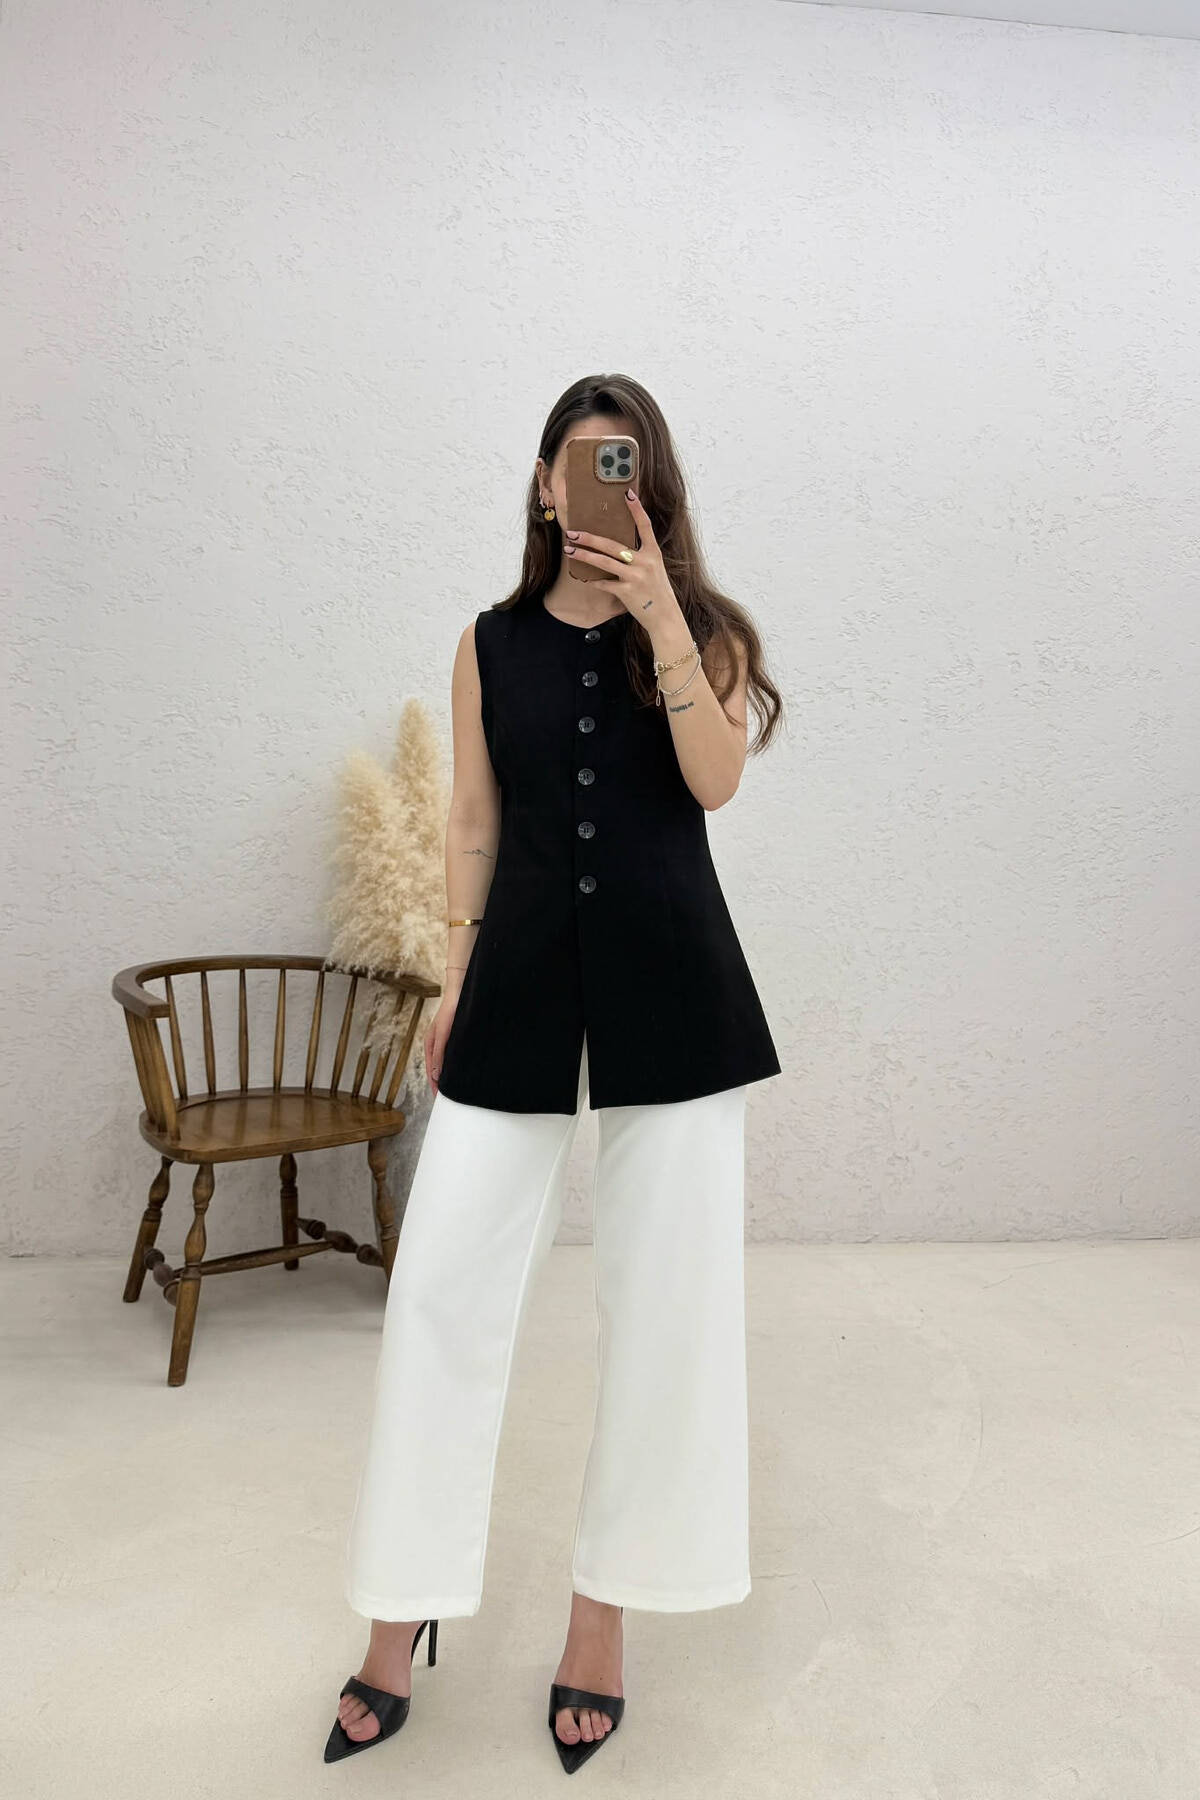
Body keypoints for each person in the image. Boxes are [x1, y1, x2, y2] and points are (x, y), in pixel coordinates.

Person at [325, 373, 784, 1773]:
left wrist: (661, 620)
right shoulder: (488, 643)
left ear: (650, 488)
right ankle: (399, 1610)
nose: (593, 484)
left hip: (676, 992)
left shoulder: (700, 633)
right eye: (576, 462)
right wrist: (454, 978)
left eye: (620, 463)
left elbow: (715, 783)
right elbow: (472, 817)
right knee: (441, 1296)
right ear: (542, 483)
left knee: (668, 1311)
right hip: (516, 983)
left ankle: (603, 1618)